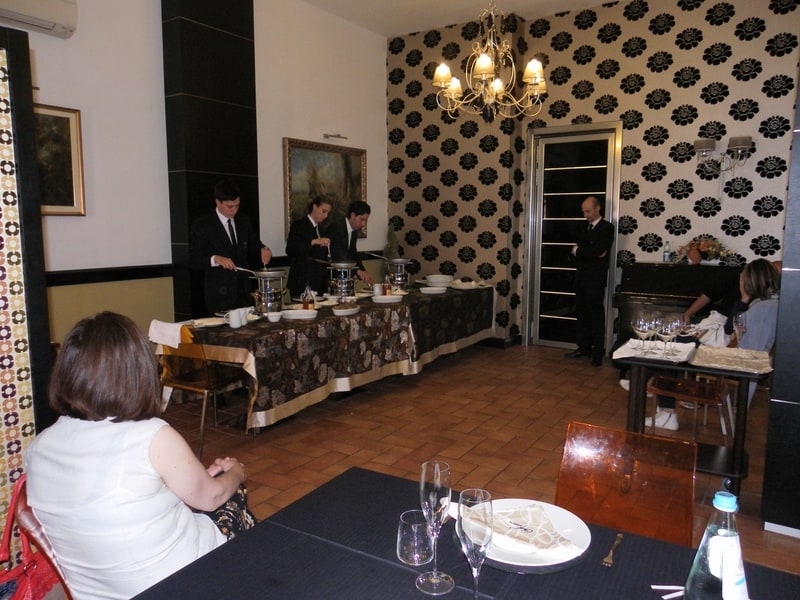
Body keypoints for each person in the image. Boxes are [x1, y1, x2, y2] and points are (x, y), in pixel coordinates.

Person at [23, 312, 256, 599]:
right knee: (233, 498)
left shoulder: (38, 448)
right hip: (182, 583)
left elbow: (108, 497)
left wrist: (187, 480)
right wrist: (236, 472)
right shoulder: (152, 435)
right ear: (138, 372)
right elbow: (212, 498)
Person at [645, 259, 780, 430]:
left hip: (728, 359)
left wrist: (744, 298)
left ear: (750, 280)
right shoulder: (766, 303)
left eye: (743, 276)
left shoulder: (759, 309)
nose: (740, 278)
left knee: (669, 346)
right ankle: (657, 396)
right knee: (670, 342)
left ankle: (663, 407)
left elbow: (734, 337)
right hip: (731, 353)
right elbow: (731, 331)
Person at [189, 179, 272, 314]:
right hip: (219, 294)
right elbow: (193, 259)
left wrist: (264, 249)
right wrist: (215, 259)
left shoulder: (243, 220)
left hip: (244, 292)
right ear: (218, 202)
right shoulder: (203, 225)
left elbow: (254, 244)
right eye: (230, 206)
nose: (234, 210)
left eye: (237, 206)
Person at [565, 196, 615, 366]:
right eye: (583, 211)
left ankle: (598, 352)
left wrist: (580, 251)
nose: (585, 215)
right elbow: (581, 252)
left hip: (595, 280)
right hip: (581, 277)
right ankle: (583, 347)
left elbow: (597, 251)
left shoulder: (607, 228)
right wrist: (584, 252)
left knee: (596, 315)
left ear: (597, 208)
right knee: (581, 313)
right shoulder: (584, 227)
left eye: (588, 211)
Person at [286, 195, 334, 299]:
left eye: (328, 213)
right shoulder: (299, 226)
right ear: (314, 207)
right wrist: (313, 242)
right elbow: (291, 249)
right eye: (323, 211)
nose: (326, 216)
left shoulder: (322, 230)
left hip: (320, 284)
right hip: (301, 281)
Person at [326, 200, 374, 285]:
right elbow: (337, 256)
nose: (363, 224)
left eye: (365, 221)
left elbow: (353, 255)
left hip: (345, 278)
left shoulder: (354, 232)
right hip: (331, 278)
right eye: (362, 219)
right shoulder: (336, 228)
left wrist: (363, 270)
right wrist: (357, 271)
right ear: (353, 215)